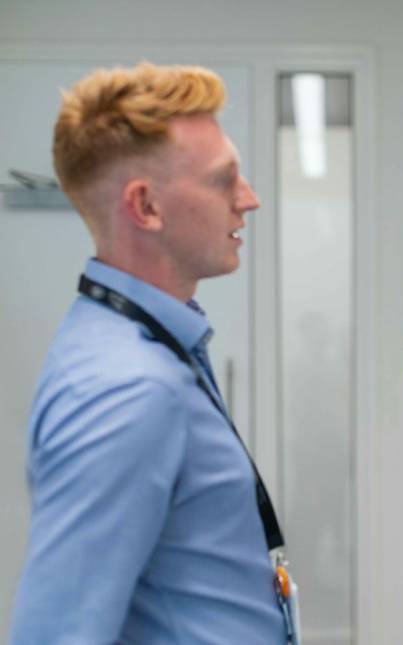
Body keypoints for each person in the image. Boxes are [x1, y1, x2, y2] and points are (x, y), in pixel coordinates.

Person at [11, 63, 291, 643]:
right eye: (224, 179)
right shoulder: (126, 389)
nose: (250, 199)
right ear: (146, 207)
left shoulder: (142, 344)